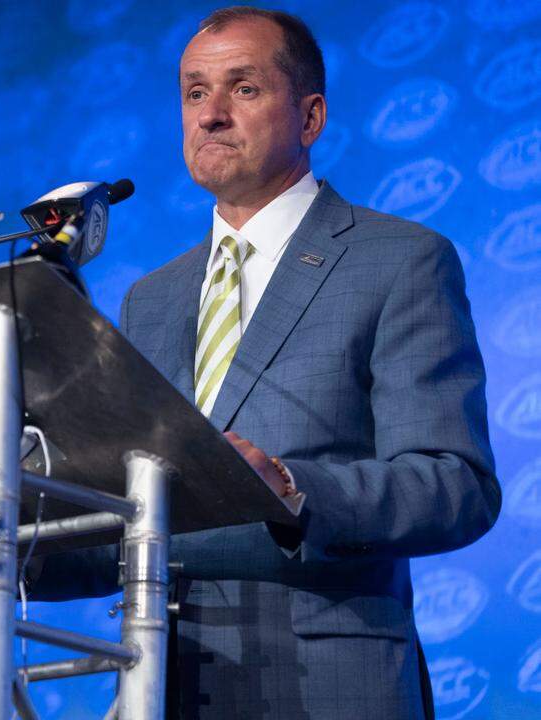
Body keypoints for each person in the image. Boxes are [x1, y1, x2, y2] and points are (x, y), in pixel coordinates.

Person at [28, 6, 501, 719]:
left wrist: (289, 488)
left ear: (310, 118)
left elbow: (454, 486)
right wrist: (18, 527)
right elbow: (133, 521)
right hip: (165, 674)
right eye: (194, 92)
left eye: (242, 89)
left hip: (329, 677)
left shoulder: (400, 260)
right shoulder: (150, 300)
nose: (211, 114)